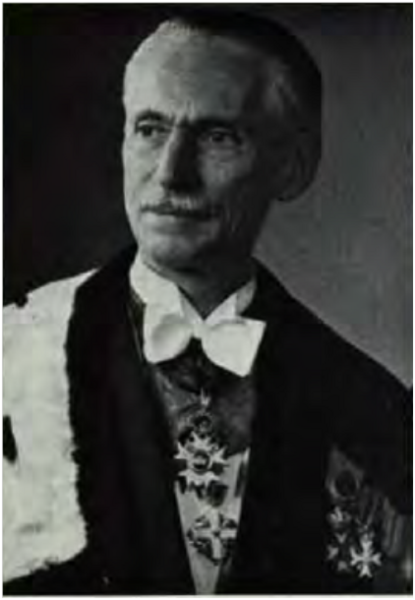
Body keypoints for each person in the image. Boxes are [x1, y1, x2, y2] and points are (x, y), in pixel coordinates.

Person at [2, 6, 413, 595]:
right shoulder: (16, 355)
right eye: (150, 129)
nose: (171, 173)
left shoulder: (369, 408)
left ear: (293, 167)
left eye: (219, 137)